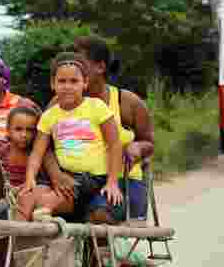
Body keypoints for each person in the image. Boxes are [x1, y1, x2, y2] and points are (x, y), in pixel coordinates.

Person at [41, 36, 154, 223]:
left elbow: (148, 142)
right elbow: (45, 146)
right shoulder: (57, 103)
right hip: (74, 182)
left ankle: (102, 251)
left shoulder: (127, 103)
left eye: (80, 63)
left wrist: (138, 148)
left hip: (120, 181)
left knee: (99, 215)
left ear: (100, 67)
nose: (73, 68)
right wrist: (56, 175)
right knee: (39, 206)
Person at [19, 53, 123, 223]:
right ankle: (17, 239)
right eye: (62, 81)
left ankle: (44, 213)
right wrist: (29, 178)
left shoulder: (96, 107)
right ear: (53, 84)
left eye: (74, 81)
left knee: (50, 199)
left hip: (95, 177)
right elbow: (38, 152)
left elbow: (114, 144)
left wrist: (112, 182)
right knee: (30, 194)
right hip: (67, 175)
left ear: (85, 83)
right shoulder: (50, 116)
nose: (68, 86)